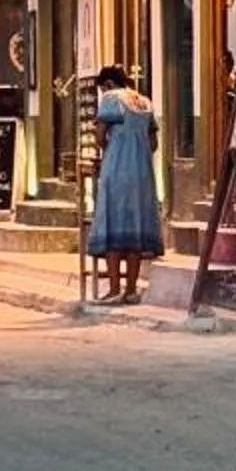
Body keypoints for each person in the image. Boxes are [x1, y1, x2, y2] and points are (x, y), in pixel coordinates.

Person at [87, 65, 161, 302]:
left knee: (113, 227)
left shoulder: (111, 99)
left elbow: (99, 137)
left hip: (116, 171)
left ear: (107, 85)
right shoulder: (145, 102)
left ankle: (114, 289)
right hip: (142, 174)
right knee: (134, 232)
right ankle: (131, 290)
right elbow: (153, 144)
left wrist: (112, 147)